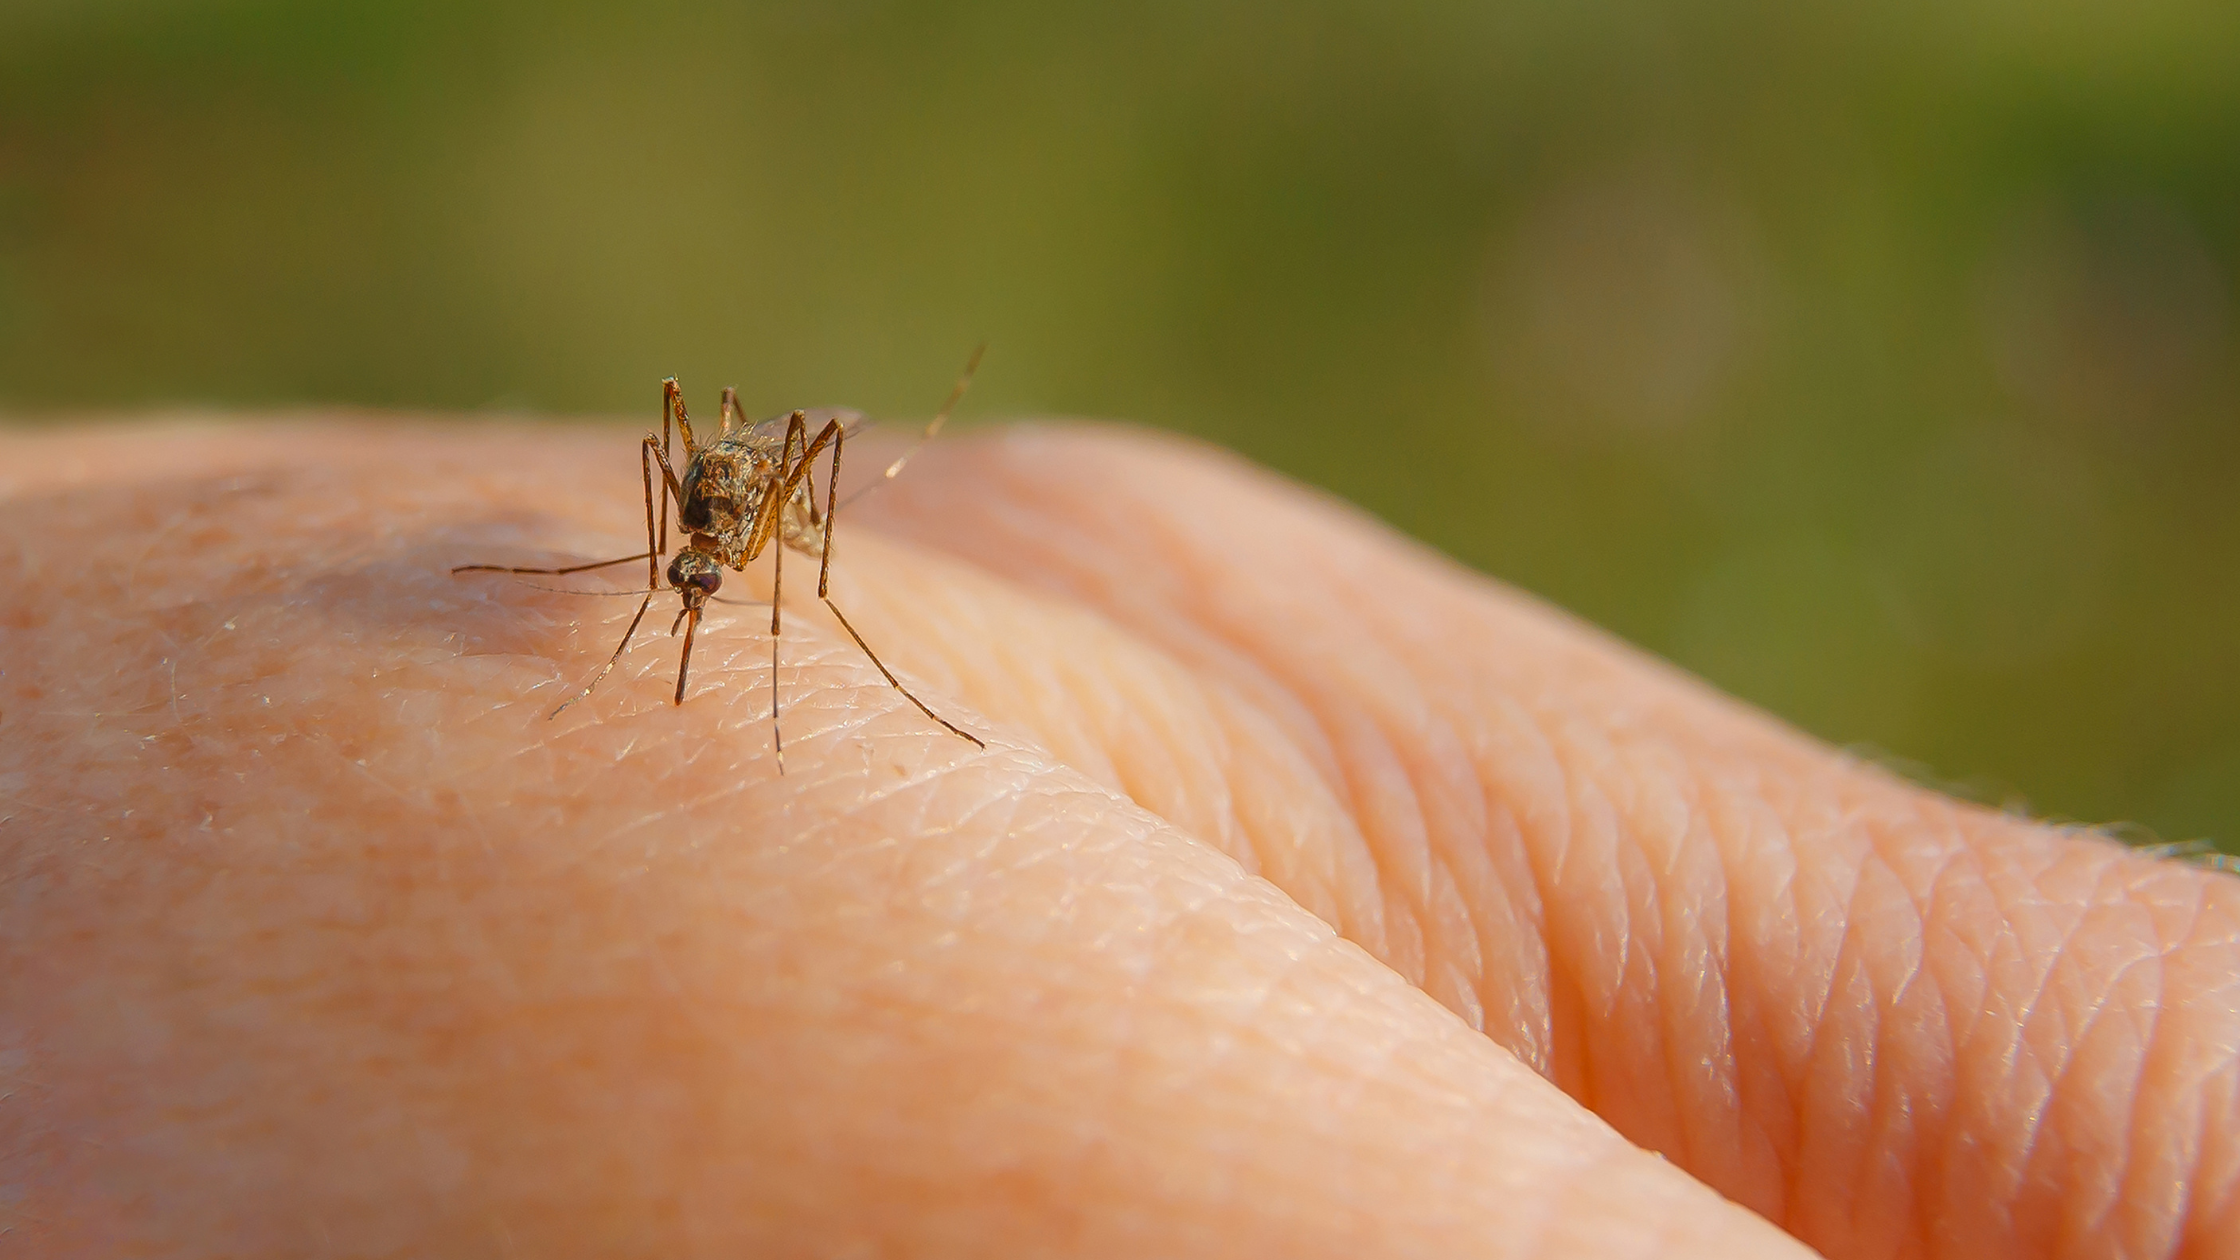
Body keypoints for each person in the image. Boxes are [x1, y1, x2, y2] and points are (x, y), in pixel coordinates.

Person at [5, 418, 2234, 1258]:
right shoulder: (659, 547)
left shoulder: (757, 527)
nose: (685, 587)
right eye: (690, 562)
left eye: (695, 563)